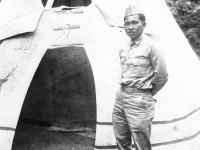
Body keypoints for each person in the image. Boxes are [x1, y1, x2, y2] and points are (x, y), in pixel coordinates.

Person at [112, 4, 168, 150]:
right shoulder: (124, 47)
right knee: (121, 140)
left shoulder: (152, 46)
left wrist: (146, 93)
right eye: (127, 24)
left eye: (134, 23)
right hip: (121, 97)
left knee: (141, 144)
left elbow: (162, 76)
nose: (130, 27)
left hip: (140, 100)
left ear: (143, 24)